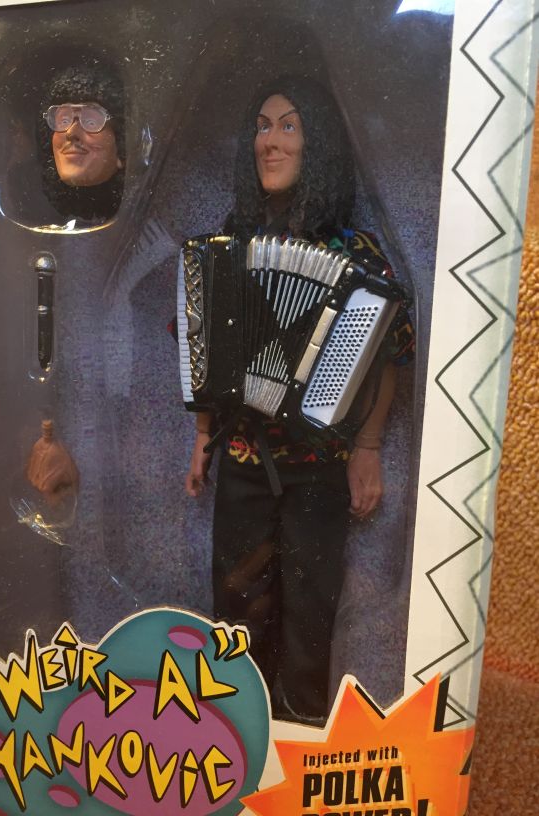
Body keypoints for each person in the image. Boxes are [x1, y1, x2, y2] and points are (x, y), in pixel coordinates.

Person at [184, 76, 414, 724]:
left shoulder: (354, 252)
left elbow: (389, 352)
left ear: (318, 144)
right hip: (243, 456)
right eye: (262, 126)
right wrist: (202, 435)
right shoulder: (232, 241)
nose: (271, 141)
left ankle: (303, 734)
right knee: (236, 609)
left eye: (289, 126)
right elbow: (207, 347)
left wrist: (367, 446)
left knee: (311, 612)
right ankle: (241, 735)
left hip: (318, 464)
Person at [37, 62, 126, 224]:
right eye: (64, 121)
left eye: (91, 122)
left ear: (121, 144)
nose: (71, 133)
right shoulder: (32, 211)